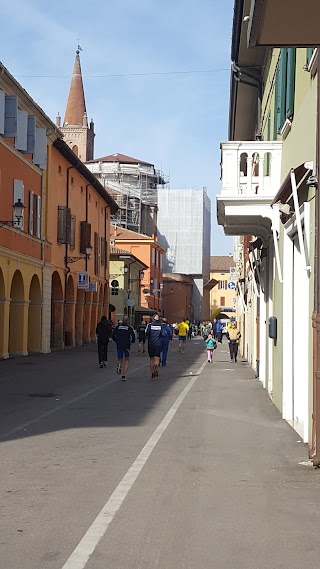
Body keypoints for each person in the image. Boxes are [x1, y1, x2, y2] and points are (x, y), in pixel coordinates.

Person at [112, 315, 135, 380]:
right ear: (127, 321)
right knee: (126, 359)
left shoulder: (118, 327)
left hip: (119, 344)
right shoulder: (129, 327)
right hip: (127, 345)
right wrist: (132, 341)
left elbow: (113, 334)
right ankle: (124, 375)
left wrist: (115, 340)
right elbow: (133, 336)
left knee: (120, 358)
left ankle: (119, 365)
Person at [146, 314, 168, 379]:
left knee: (151, 359)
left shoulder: (149, 325)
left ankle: (152, 372)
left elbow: (147, 333)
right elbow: (164, 334)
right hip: (158, 344)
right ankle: (155, 368)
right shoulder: (161, 326)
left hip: (151, 344)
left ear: (153, 319)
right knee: (157, 358)